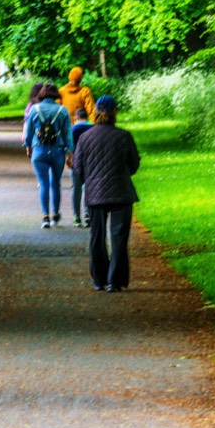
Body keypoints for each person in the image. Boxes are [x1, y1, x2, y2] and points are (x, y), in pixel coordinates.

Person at [72, 95, 140, 292]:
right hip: (121, 192)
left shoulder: (85, 138)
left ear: (96, 112)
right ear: (115, 112)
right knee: (119, 237)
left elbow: (78, 168)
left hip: (94, 193)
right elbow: (134, 164)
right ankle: (115, 281)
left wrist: (90, 179)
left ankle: (98, 279)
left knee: (97, 236)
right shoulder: (124, 136)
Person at [23, 83, 74, 229]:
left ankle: (45, 217)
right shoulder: (62, 110)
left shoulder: (34, 109)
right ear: (56, 95)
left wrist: (28, 147)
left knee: (43, 184)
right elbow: (68, 134)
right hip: (57, 152)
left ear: (42, 94)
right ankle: (55, 214)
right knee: (56, 183)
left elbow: (28, 132)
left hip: (39, 151)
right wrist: (69, 153)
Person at [70, 108, 93, 228]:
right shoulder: (93, 129)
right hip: (90, 163)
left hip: (76, 163)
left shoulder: (73, 130)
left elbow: (69, 147)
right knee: (88, 188)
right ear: (87, 117)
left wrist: (69, 159)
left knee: (76, 189)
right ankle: (88, 213)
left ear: (76, 117)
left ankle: (76, 216)